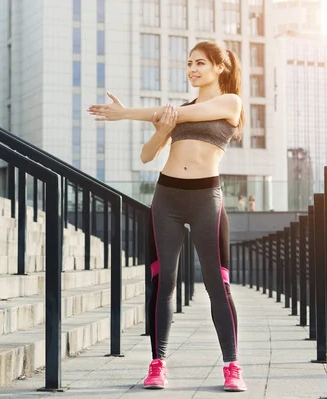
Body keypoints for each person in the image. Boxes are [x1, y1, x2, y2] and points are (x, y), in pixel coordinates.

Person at [87, 40, 246, 392]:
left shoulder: (230, 103)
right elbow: (147, 156)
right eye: (189, 63)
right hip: (167, 198)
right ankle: (157, 364)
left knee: (217, 285)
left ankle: (232, 365)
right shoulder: (177, 110)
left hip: (207, 199)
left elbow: (182, 115)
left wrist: (128, 113)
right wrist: (161, 128)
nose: (192, 69)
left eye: (200, 63)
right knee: (163, 284)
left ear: (219, 67)